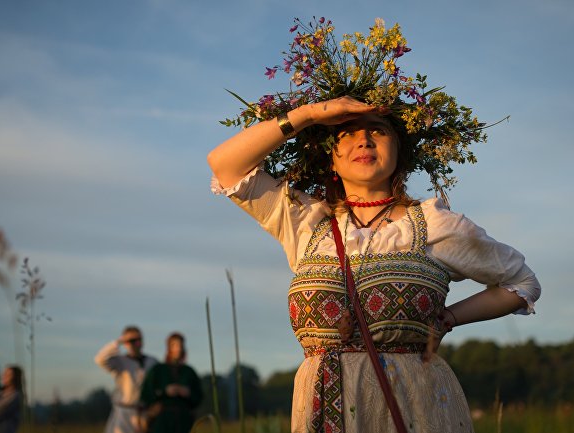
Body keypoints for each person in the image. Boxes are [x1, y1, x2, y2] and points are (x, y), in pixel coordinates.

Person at [208, 17, 541, 433]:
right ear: (331, 155)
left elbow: (522, 283)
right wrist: (311, 114)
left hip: (417, 407)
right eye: (347, 133)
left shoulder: (434, 223)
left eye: (378, 131)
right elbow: (224, 166)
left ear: (399, 153)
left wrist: (448, 319)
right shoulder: (305, 221)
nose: (363, 140)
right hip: (321, 407)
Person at [95, 326, 158, 433]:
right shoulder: (120, 361)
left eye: (138, 339)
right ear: (125, 343)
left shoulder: (152, 362)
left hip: (145, 414)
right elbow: (100, 359)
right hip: (124, 413)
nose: (135, 343)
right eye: (131, 341)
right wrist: (117, 342)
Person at [139, 332, 203, 433]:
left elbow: (199, 397)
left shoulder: (189, 371)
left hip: (183, 420)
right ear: (169, 347)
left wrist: (188, 393)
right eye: (174, 345)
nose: (178, 348)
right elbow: (145, 395)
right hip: (161, 420)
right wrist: (165, 391)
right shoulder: (158, 370)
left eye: (180, 345)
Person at [0, 365, 23, 433]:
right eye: (4, 374)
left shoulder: (14, 397)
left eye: (8, 375)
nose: (4, 376)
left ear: (15, 377)